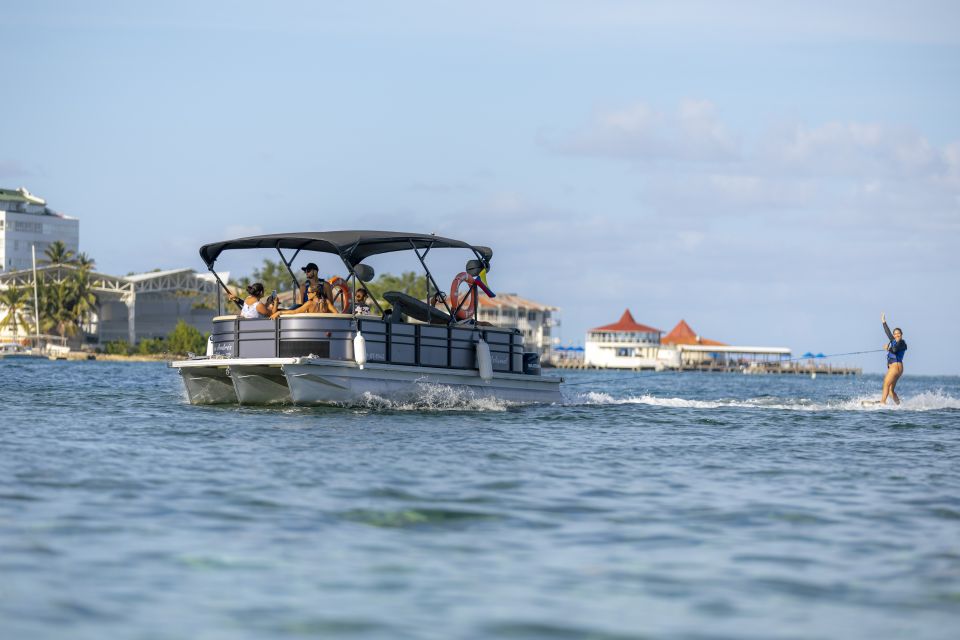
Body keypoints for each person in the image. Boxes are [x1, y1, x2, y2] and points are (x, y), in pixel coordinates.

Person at [880, 311, 907, 405]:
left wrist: (887, 348)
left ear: (901, 334)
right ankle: (899, 405)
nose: (896, 335)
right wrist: (883, 322)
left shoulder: (902, 343)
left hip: (896, 367)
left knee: (886, 384)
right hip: (897, 368)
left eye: (898, 333)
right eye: (895, 334)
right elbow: (887, 332)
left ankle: (882, 403)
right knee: (891, 390)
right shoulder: (893, 340)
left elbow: (895, 350)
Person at [271, 282, 336, 318]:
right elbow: (337, 314)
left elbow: (295, 312)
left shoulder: (309, 303)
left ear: (315, 293)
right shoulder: (326, 302)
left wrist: (279, 312)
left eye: (308, 293)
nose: (307, 294)